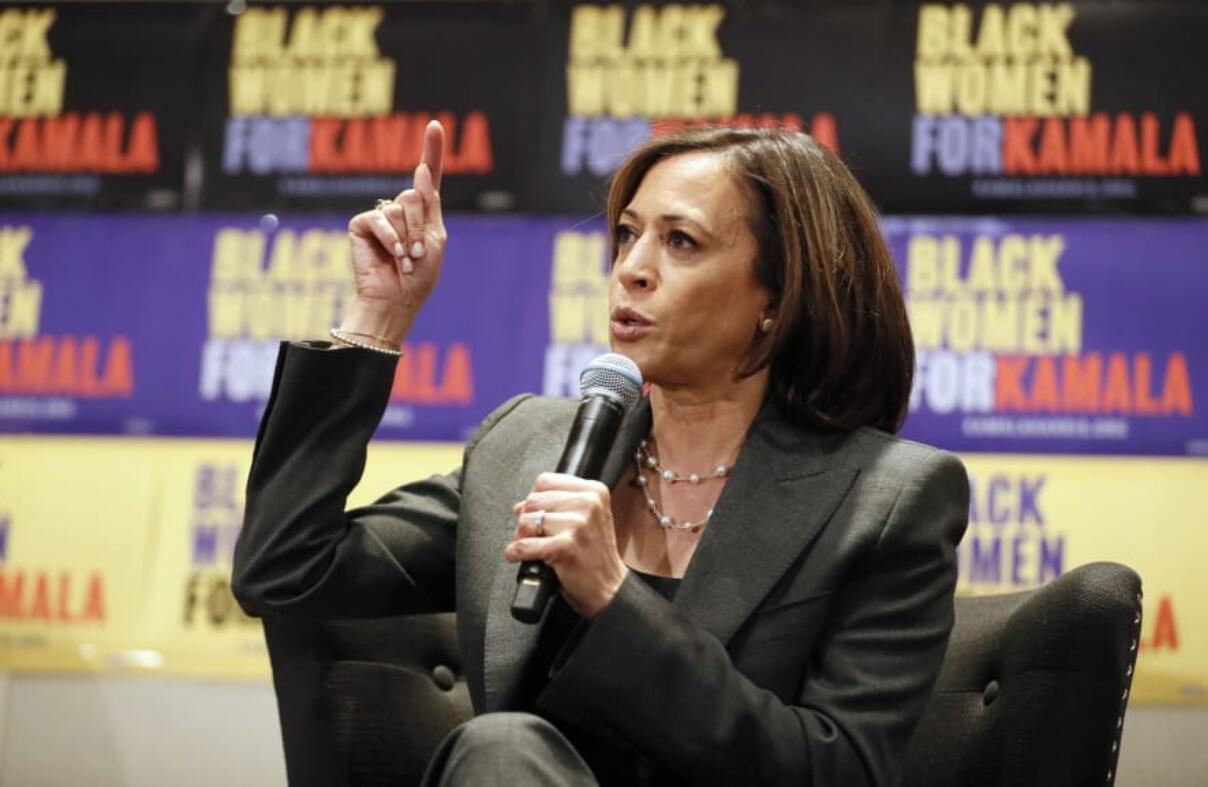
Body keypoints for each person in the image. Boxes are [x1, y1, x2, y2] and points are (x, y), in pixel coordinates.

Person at [232, 120, 970, 787]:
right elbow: (287, 570)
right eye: (626, 234)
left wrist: (614, 599)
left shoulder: (889, 499)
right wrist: (377, 317)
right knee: (504, 749)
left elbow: (837, 769)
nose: (633, 268)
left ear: (776, 297)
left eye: (681, 241)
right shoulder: (528, 449)